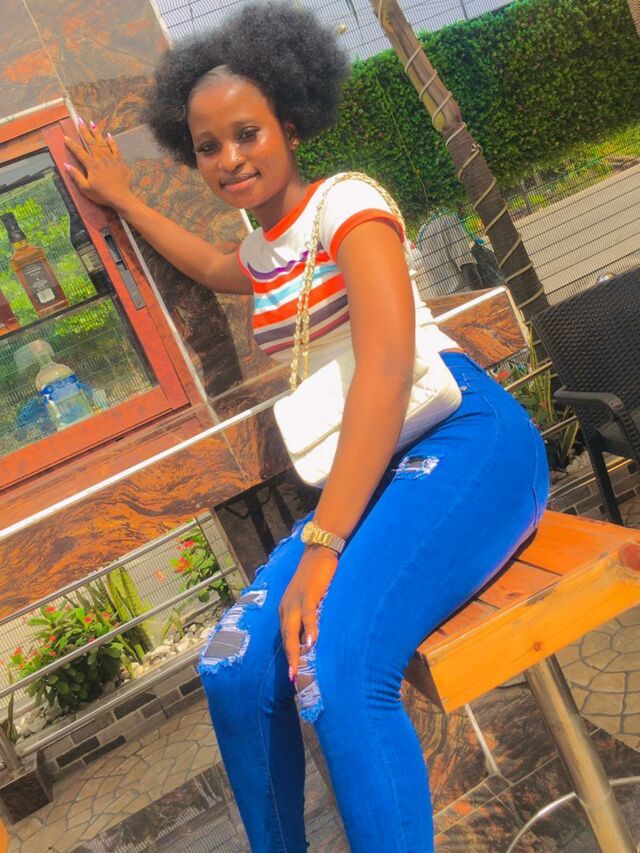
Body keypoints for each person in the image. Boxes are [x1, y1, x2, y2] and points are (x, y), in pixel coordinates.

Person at [63, 5, 549, 850]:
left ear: (290, 123)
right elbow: (210, 262)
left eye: (246, 133)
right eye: (207, 146)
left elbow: (387, 367)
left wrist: (323, 545)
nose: (228, 158)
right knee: (233, 664)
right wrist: (123, 196)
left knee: (335, 665)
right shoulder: (265, 254)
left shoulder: (347, 204)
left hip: (462, 440)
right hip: (379, 470)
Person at [414, 208, 482, 297]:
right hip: (462, 293)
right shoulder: (448, 221)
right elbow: (466, 263)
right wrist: (481, 294)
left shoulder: (422, 231)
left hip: (442, 297)